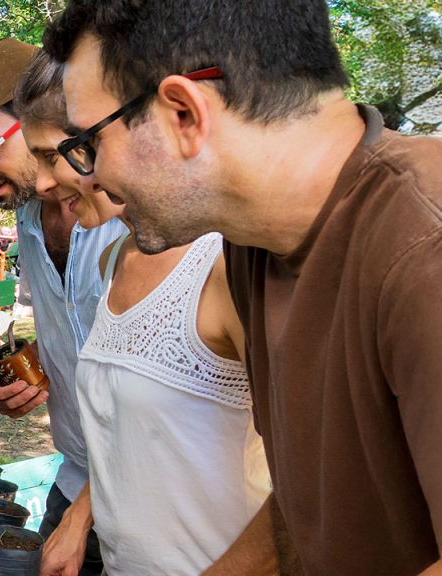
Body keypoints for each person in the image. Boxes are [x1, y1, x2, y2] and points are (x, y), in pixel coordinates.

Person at [45, 1, 442, 573]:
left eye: (89, 143)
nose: (88, 178)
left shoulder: (422, 247)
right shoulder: (257, 246)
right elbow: (307, 493)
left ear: (183, 113)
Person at [15, 51, 271, 576]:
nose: (41, 183)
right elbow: (129, 438)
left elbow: (313, 485)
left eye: (55, 154)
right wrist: (79, 517)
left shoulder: (224, 268)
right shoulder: (114, 260)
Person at [0, 39, 125, 576]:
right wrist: (35, 372)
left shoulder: (131, 213)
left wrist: (85, 517)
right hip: (76, 474)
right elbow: (85, 328)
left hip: (145, 487)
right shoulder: (28, 217)